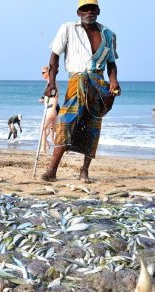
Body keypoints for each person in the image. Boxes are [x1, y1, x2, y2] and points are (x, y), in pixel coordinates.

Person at [41, 0, 120, 183]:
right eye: (85, 9)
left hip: (98, 83)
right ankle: (52, 170)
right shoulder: (68, 28)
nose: (89, 12)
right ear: (78, 12)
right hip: (76, 81)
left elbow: (111, 62)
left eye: (92, 8)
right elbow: (54, 56)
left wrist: (113, 80)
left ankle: (84, 171)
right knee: (65, 123)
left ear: (98, 10)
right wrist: (51, 82)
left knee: (93, 127)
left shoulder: (108, 34)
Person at [40, 65, 60, 152]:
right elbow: (50, 96)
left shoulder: (52, 83)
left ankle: (43, 149)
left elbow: (56, 96)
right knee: (56, 130)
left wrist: (52, 110)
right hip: (50, 108)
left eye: (43, 72)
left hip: (51, 108)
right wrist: (44, 99)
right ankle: (65, 147)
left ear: (48, 72)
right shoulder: (49, 83)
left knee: (43, 128)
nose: (42, 74)